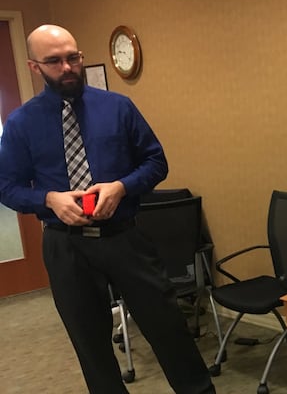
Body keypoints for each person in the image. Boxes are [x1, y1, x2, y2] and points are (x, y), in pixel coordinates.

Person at [0, 25, 215, 394]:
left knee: (169, 330)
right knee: (92, 347)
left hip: (124, 237)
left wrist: (122, 187)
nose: (67, 67)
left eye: (73, 57)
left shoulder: (118, 107)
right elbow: (6, 186)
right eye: (54, 61)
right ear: (35, 67)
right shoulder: (21, 124)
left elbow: (156, 162)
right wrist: (48, 199)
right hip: (65, 246)